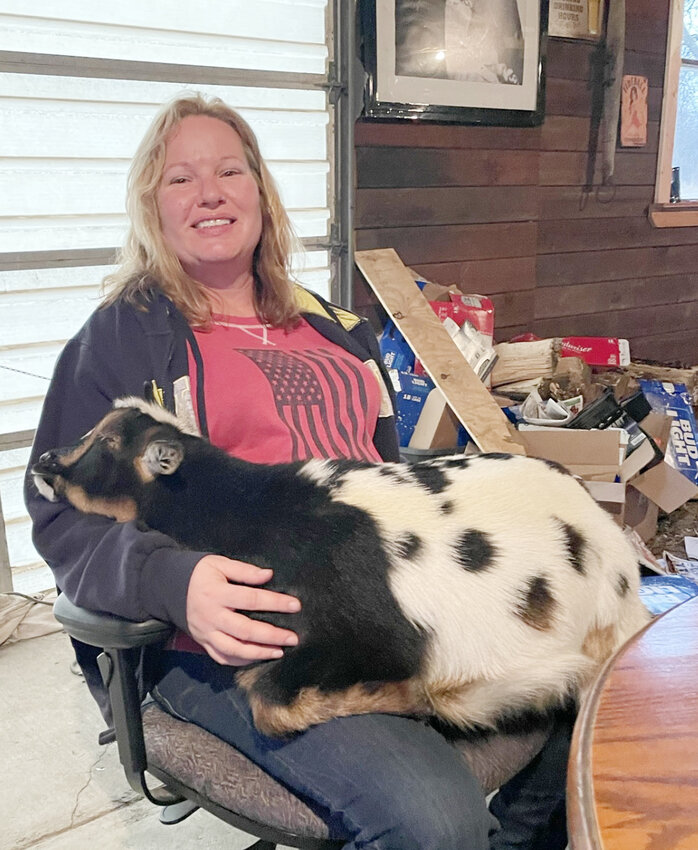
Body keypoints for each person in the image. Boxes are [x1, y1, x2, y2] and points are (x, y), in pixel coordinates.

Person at [25, 93, 570, 849]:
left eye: (229, 170)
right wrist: (170, 583)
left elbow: (389, 473)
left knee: (593, 681)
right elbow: (56, 514)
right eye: (180, 179)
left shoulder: (335, 326)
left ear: (259, 190)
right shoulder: (122, 337)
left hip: (380, 608)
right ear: (152, 206)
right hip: (242, 642)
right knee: (433, 818)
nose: (210, 192)